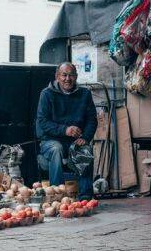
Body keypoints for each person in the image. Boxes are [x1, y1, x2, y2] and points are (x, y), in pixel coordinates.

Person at [36, 62, 97, 200]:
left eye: (71, 75)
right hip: (50, 141)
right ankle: (58, 196)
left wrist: (86, 137)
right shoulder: (46, 94)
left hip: (74, 142)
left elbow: (92, 120)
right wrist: (65, 130)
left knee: (85, 148)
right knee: (56, 148)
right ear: (57, 76)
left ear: (76, 77)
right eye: (64, 75)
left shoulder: (85, 94)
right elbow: (43, 122)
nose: (67, 79)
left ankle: (86, 197)